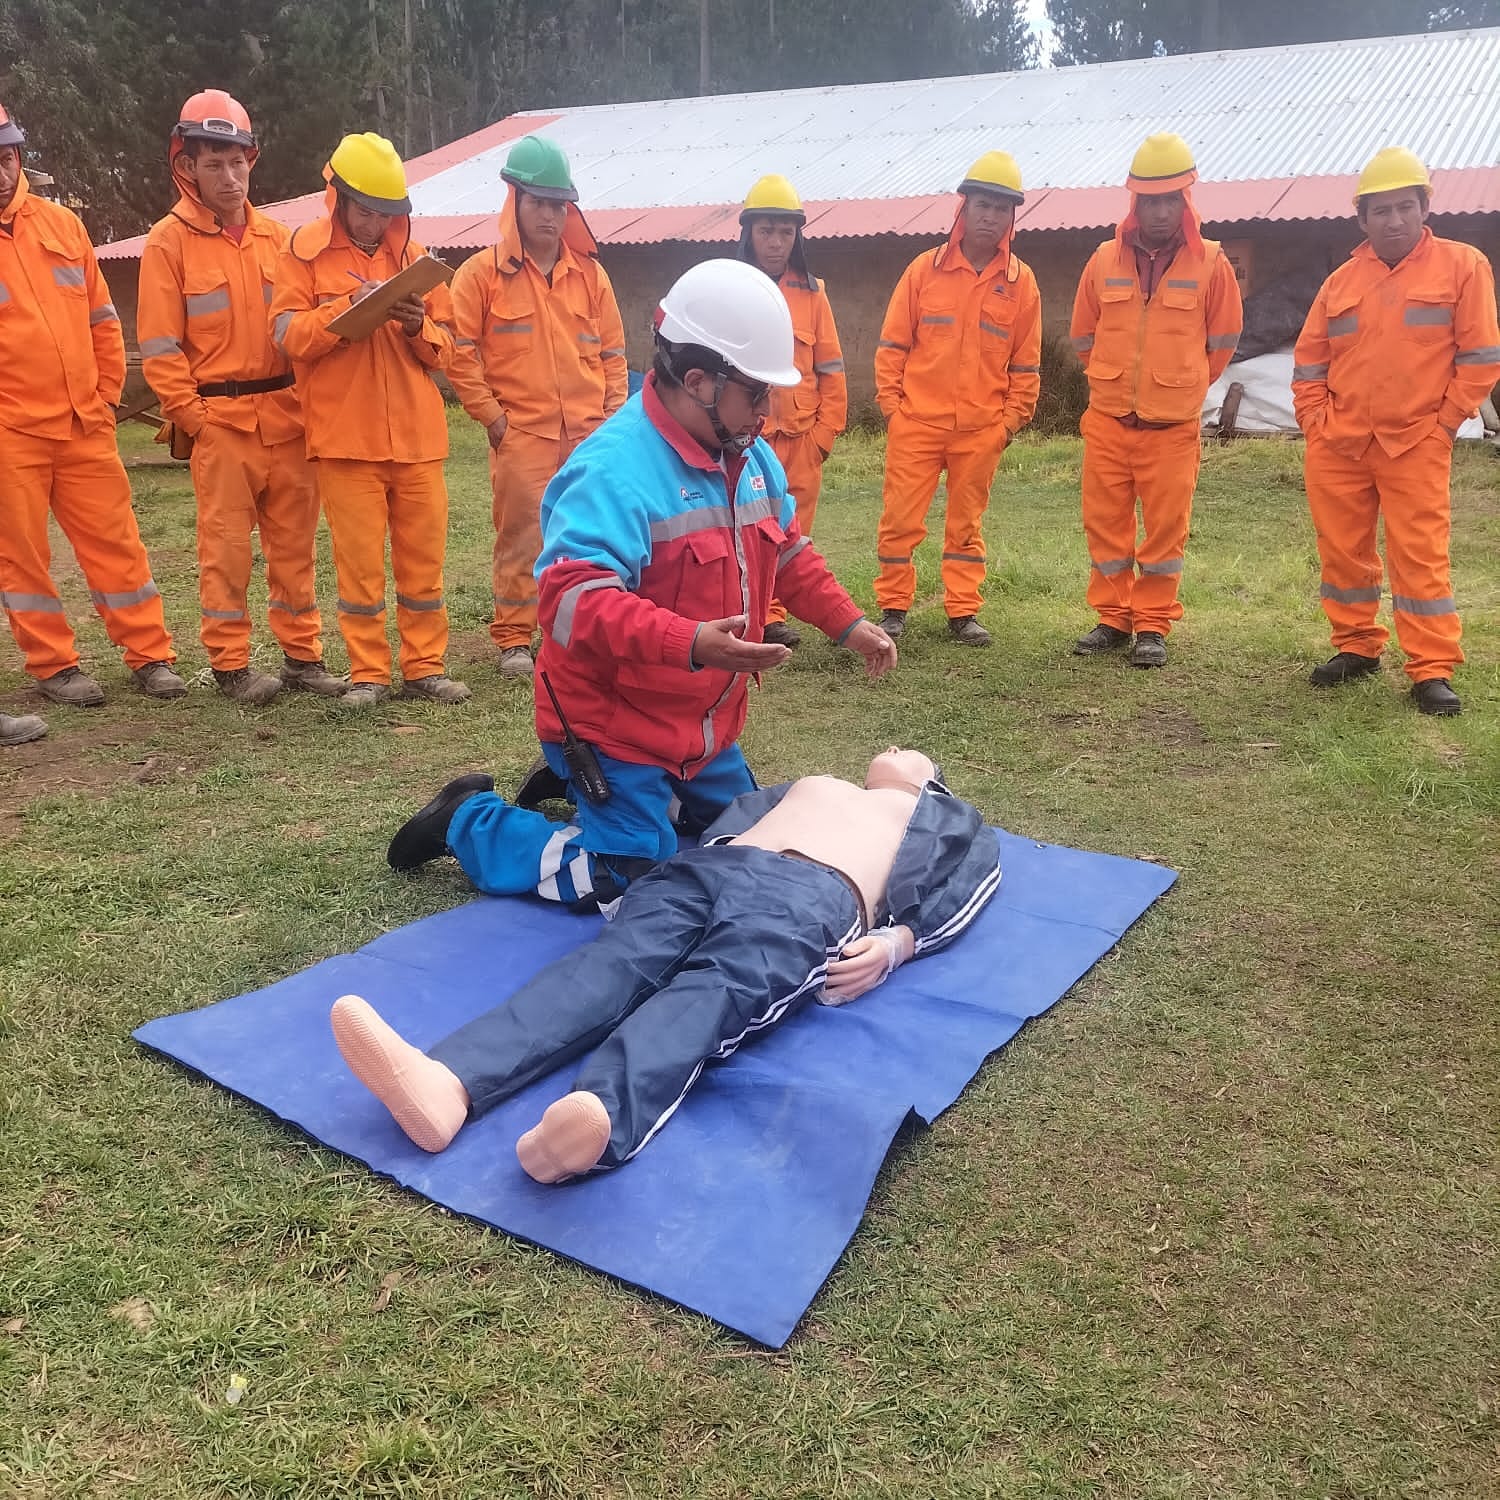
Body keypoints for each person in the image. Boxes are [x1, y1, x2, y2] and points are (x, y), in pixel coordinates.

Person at [387, 259, 897, 909]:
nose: (768, 413)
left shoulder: (748, 453)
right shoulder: (613, 471)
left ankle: (592, 791)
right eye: (756, 393)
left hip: (700, 730)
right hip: (613, 723)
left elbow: (789, 552)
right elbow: (571, 603)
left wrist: (848, 624)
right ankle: (469, 821)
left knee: (753, 838)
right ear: (697, 381)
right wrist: (690, 643)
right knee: (626, 874)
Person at [336, 749, 1000, 1182]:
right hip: (714, 869)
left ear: (930, 774)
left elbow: (972, 882)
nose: (891, 750)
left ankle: (594, 1119)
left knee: (710, 996)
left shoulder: (942, 812)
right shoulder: (817, 781)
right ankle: (445, 1083)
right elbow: (733, 813)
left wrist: (897, 943)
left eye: (909, 751)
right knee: (607, 967)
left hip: (814, 899)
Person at [137, 90, 346, 707]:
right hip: (219, 422)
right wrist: (194, 421)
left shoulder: (282, 240)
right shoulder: (167, 244)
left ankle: (302, 657)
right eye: (213, 164)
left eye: (238, 162)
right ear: (188, 167)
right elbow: (158, 346)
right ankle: (230, 664)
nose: (229, 178)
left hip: (286, 417)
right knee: (225, 551)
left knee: (294, 548)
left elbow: (303, 329)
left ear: (251, 161)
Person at [1292, 147, 1500, 717]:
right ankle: (1356, 646)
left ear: (1425, 207)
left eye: (1404, 207)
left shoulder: (1463, 266)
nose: (1393, 221)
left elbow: (1481, 357)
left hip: (1415, 443)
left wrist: (1444, 424)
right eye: (1380, 211)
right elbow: (1309, 362)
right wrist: (1315, 423)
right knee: (1342, 552)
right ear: (1361, 219)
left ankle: (1431, 668)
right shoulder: (1340, 282)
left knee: (1420, 557)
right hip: (1340, 443)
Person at [270, 132, 468, 709]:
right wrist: (345, 311)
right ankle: (369, 674)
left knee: (422, 566)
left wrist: (416, 325)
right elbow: (286, 337)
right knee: (358, 570)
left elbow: (449, 349)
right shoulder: (300, 255)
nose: (375, 223)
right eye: (365, 210)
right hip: (344, 441)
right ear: (337, 197)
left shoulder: (417, 263)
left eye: (387, 214)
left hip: (417, 440)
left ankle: (425, 667)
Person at [0, 101, 185, 709]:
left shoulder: (62, 226)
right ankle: (54, 666)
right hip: (10, 431)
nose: (1, 173)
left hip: (83, 421)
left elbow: (103, 319)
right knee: (22, 557)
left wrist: (106, 395)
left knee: (118, 543)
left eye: (6, 158)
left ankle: (151, 656)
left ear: (19, 156)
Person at [447, 136, 627, 679]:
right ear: (515, 202)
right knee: (522, 535)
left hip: (589, 435)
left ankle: (586, 627)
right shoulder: (480, 275)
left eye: (558, 204)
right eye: (538, 203)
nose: (549, 215)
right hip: (522, 433)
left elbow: (615, 355)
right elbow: (459, 355)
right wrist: (494, 419)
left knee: (592, 533)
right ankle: (515, 638)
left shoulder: (591, 276)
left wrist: (614, 422)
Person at [1068, 133, 1243, 670]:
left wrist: (1178, 386)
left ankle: (1151, 625)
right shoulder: (1102, 259)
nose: (1160, 210)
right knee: (1106, 526)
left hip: (1172, 430)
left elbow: (1222, 343)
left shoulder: (1212, 263)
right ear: (1134, 202)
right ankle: (1113, 618)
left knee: (1165, 532)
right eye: (1150, 199)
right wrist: (1116, 382)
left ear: (1186, 200)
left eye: (1170, 199)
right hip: (1109, 421)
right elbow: (1082, 336)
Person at [873, 151, 1041, 649]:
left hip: (981, 430)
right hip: (916, 424)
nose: (990, 216)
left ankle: (962, 612)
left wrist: (1007, 424)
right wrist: (893, 411)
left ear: (1013, 217)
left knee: (965, 526)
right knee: (900, 520)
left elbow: (1026, 365)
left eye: (1001, 208)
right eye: (982, 205)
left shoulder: (1021, 283)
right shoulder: (923, 271)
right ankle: (893, 608)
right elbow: (892, 347)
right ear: (963, 208)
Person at [735, 173, 848, 648]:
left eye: (786, 231)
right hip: (746, 437)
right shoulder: (733, 285)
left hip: (803, 436)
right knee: (743, 527)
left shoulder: (814, 293)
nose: (776, 242)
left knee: (790, 532)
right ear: (748, 233)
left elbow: (832, 367)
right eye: (766, 231)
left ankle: (775, 615)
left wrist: (825, 435)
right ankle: (750, 613)